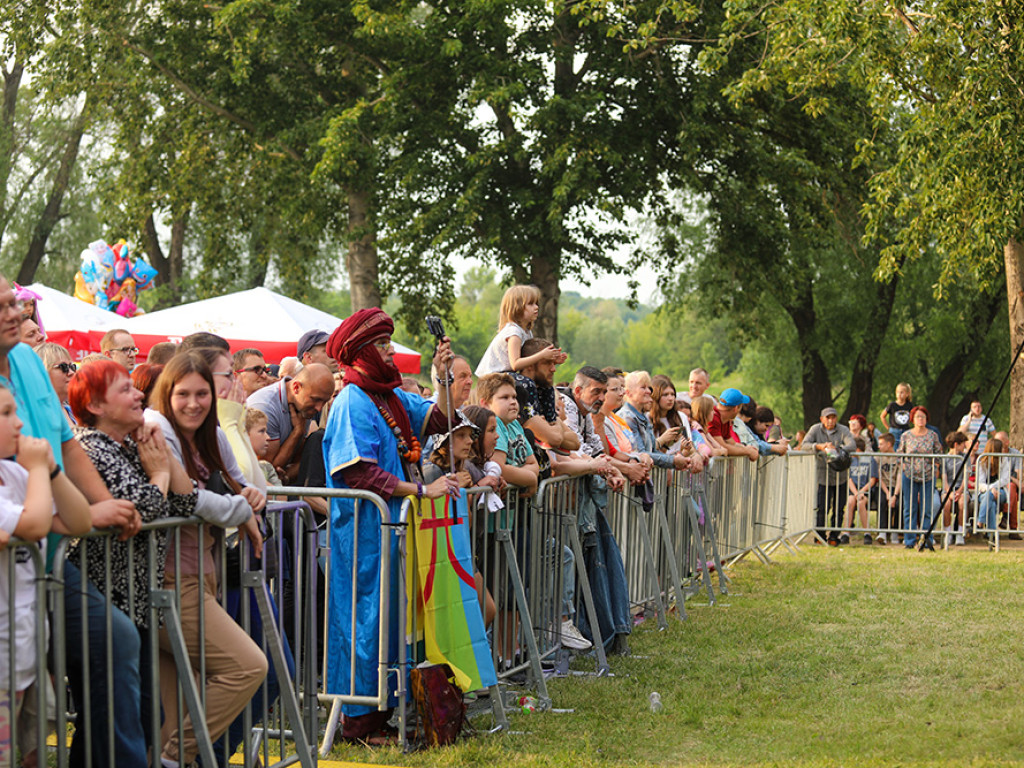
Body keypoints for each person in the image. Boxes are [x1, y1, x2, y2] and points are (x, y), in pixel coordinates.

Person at [321, 308, 457, 745]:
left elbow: (441, 420)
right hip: (363, 535)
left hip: (394, 533)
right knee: (366, 624)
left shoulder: (389, 396)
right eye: (382, 345)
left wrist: (442, 377)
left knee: (395, 624)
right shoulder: (351, 401)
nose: (390, 352)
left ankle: (389, 711)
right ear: (362, 352)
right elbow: (358, 473)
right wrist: (419, 492)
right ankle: (360, 723)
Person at [67, 360, 196, 766]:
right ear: (96, 404)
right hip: (105, 597)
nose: (140, 394)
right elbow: (141, 506)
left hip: (135, 602)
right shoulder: (90, 446)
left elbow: (184, 501)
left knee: (132, 714)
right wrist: (158, 473)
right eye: (126, 389)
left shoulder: (127, 444)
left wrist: (161, 450)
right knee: (123, 714)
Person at [145, 352, 267, 768]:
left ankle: (171, 756)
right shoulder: (155, 428)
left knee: (177, 706)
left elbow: (247, 483)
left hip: (204, 574)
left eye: (202, 394)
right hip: (169, 584)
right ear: (167, 394)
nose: (194, 403)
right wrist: (241, 509)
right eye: (183, 394)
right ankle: (175, 756)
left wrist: (251, 500)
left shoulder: (209, 435)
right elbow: (192, 502)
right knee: (249, 667)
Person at [0, 385, 89, 768]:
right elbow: (36, 525)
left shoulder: (13, 473)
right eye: (6, 413)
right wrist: (38, 468)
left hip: (26, 649)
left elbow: (78, 520)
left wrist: (50, 469)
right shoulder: (24, 472)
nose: (20, 422)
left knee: (33, 749)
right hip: (4, 655)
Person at [246, 362, 335, 475]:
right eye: (316, 399)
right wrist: (297, 431)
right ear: (296, 387)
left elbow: (299, 460)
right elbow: (268, 470)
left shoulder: (302, 403)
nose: (319, 408)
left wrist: (288, 475)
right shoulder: (266, 407)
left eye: (324, 402)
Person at [475, 284, 563, 376]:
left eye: (536, 303)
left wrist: (552, 359)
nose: (536, 307)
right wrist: (542, 355)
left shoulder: (527, 332)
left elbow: (529, 361)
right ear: (517, 308)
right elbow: (515, 364)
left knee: (540, 382)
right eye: (530, 304)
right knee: (528, 383)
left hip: (506, 375)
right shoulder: (514, 333)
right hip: (492, 378)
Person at [511, 337, 579, 452]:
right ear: (529, 364)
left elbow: (575, 443)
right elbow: (555, 439)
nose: (553, 369)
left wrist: (549, 428)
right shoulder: (521, 390)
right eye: (547, 363)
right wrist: (552, 428)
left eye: (554, 363)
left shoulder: (544, 390)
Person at [618, 371, 695, 472]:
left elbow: (652, 450)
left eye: (649, 388)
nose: (649, 391)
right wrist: (673, 461)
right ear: (628, 393)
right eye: (643, 387)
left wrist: (676, 461)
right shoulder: (628, 417)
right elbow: (641, 453)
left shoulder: (642, 417)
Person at [801, 407, 857, 545]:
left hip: (840, 475)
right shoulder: (815, 429)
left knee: (839, 508)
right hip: (822, 475)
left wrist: (836, 449)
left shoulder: (843, 429)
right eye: (828, 417)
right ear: (822, 419)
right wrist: (820, 447)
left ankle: (834, 536)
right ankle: (820, 536)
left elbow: (852, 445)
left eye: (833, 417)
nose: (830, 420)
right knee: (822, 508)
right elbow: (804, 445)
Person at [897, 405, 943, 549]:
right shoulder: (906, 435)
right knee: (909, 508)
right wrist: (903, 465)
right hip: (909, 475)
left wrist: (936, 467)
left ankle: (926, 538)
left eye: (923, 416)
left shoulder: (932, 435)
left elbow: (939, 453)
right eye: (917, 416)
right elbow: (899, 453)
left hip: (928, 476)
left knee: (927, 508)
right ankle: (909, 540)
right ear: (912, 419)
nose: (920, 419)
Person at [841, 436, 878, 545]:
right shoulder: (850, 460)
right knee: (851, 501)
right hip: (853, 491)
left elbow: (873, 480)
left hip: (866, 491)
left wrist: (861, 492)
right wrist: (856, 493)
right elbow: (849, 478)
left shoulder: (870, 459)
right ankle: (845, 533)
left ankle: (867, 533)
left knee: (861, 502)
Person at [707, 388, 759, 461]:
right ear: (736, 408)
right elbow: (722, 446)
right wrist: (748, 452)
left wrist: (747, 448)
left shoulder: (726, 420)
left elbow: (732, 443)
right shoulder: (714, 418)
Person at [34, 342, 76, 425]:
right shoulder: (35, 416)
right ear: (42, 372)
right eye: (63, 367)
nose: (71, 372)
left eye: (72, 367)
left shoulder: (73, 412)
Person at [940, 431, 969, 545]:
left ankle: (960, 533)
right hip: (948, 489)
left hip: (961, 488)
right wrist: (949, 492)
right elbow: (944, 477)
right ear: (956, 444)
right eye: (963, 443)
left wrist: (960, 491)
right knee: (946, 504)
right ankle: (948, 532)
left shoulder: (965, 458)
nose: (965, 446)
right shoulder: (945, 458)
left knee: (962, 503)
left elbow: (966, 477)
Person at [875, 433, 901, 544]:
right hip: (882, 486)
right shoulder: (877, 458)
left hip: (896, 487)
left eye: (881, 444)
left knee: (900, 503)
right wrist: (887, 493)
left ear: (889, 444)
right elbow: (879, 477)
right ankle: (882, 532)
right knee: (881, 501)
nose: (879, 446)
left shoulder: (898, 458)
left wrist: (894, 495)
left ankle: (895, 531)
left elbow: (900, 477)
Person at [649, 375, 684, 453]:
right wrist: (662, 440)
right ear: (656, 397)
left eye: (672, 394)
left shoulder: (679, 417)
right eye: (665, 395)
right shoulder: (646, 418)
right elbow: (645, 450)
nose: (670, 398)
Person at [879, 382, 913, 447]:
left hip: (906, 430)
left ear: (907, 394)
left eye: (902, 392)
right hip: (895, 430)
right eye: (897, 392)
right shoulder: (892, 405)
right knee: (895, 447)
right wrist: (888, 428)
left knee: (906, 447)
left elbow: (913, 416)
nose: (899, 394)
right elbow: (882, 416)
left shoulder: (909, 405)